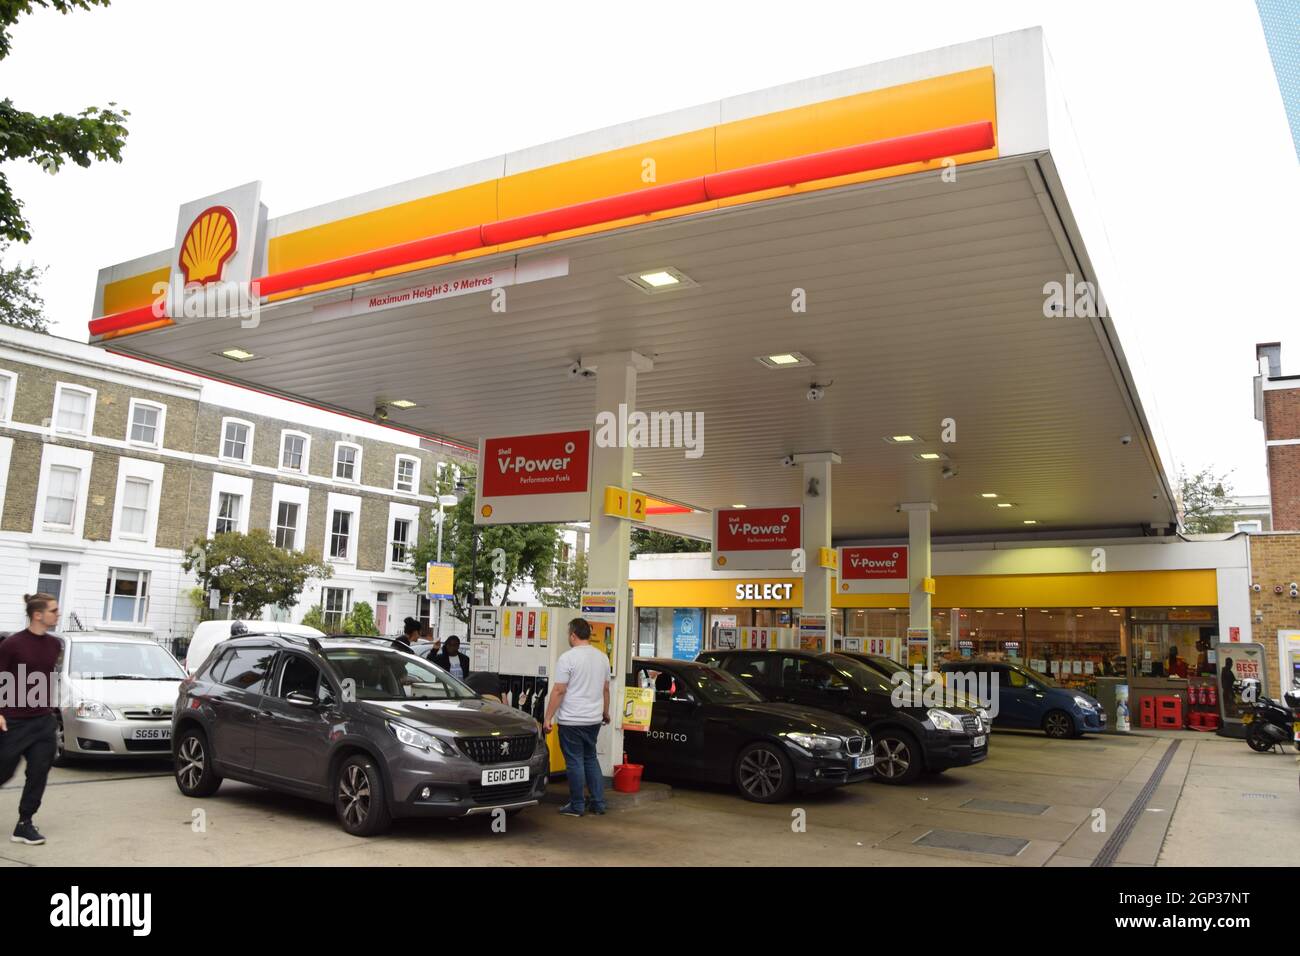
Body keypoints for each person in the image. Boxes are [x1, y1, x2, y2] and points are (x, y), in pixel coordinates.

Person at [0, 593, 63, 846]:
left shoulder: (54, 644)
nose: (57, 614)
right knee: (3, 772)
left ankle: (24, 823)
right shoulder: (11, 644)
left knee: (39, 772)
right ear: (38, 614)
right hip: (14, 721)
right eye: (53, 610)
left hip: (43, 721)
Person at [543, 618, 610, 818]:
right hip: (593, 719)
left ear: (573, 635)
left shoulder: (567, 658)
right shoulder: (602, 657)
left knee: (574, 762)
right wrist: (605, 712)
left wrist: (548, 717)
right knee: (590, 759)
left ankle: (577, 804)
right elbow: (605, 689)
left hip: (572, 720)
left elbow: (559, 690)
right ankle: (598, 803)